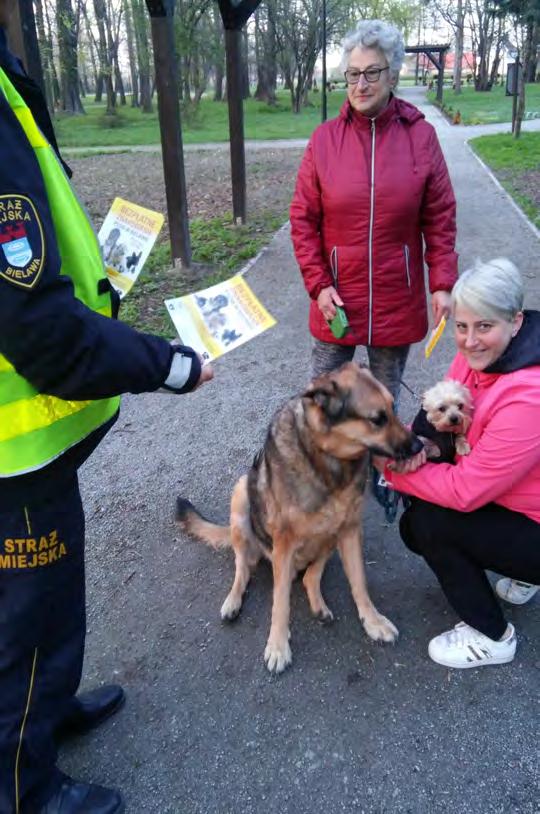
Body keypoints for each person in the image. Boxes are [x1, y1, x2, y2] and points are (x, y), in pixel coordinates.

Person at [0, 7, 212, 813]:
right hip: (12, 451)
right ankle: (25, 785)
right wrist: (170, 364)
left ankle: (46, 714)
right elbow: (39, 330)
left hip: (35, 444)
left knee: (52, 599)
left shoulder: (6, 72)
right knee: (22, 627)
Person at [375, 258, 540, 669]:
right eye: (461, 327)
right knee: (429, 499)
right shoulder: (479, 356)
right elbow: (433, 416)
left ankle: (493, 636)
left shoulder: (528, 396)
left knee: (426, 523)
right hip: (518, 502)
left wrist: (389, 468)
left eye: (484, 326)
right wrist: (412, 446)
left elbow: (466, 491)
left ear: (516, 322)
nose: (469, 341)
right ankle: (524, 571)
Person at [289, 19, 457, 400]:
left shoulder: (421, 136)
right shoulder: (324, 141)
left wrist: (443, 282)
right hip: (337, 298)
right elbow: (302, 219)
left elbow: (440, 216)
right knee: (323, 405)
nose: (360, 85)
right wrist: (319, 285)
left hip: (396, 299)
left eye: (371, 73)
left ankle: (378, 464)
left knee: (382, 407)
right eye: (352, 74)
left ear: (392, 73)